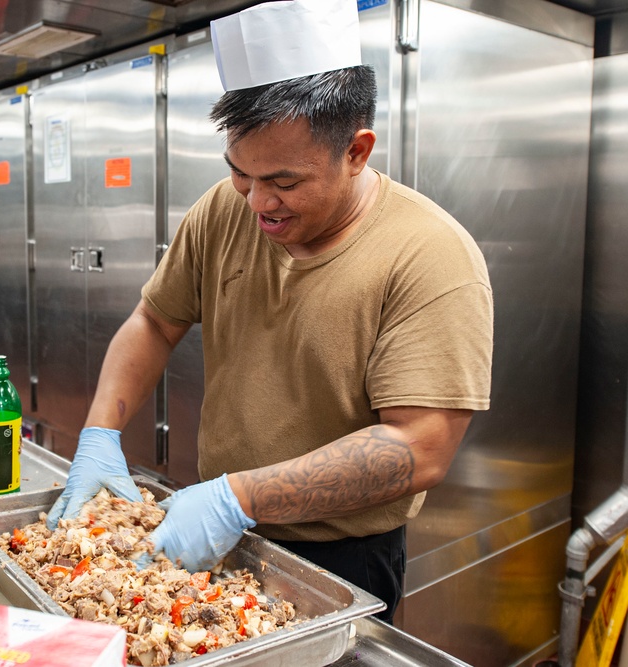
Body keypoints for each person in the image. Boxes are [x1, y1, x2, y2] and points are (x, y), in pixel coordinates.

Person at [46, 0, 492, 624]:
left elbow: (421, 447)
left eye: (283, 181)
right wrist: (99, 435)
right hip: (215, 531)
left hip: (340, 559)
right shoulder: (223, 211)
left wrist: (239, 497)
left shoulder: (429, 256)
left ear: (357, 150)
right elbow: (154, 321)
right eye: (240, 173)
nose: (259, 203)